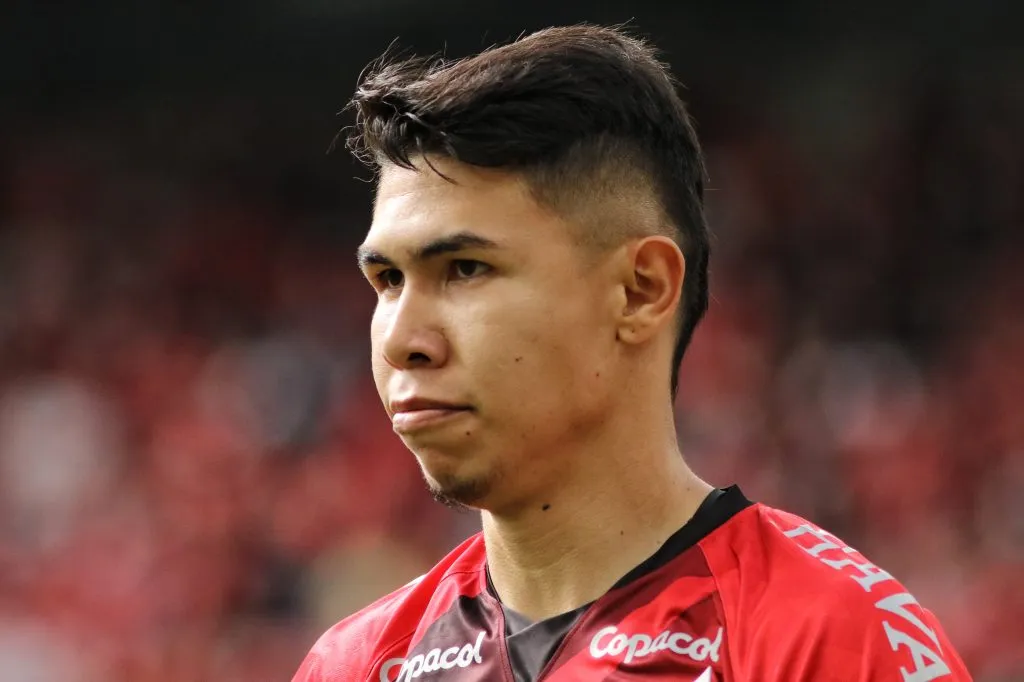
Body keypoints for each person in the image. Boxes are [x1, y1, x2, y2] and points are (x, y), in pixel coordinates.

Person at [293, 24, 971, 682]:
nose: (404, 340)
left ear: (640, 290)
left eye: (466, 268)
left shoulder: (832, 639)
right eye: (387, 280)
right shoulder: (356, 664)